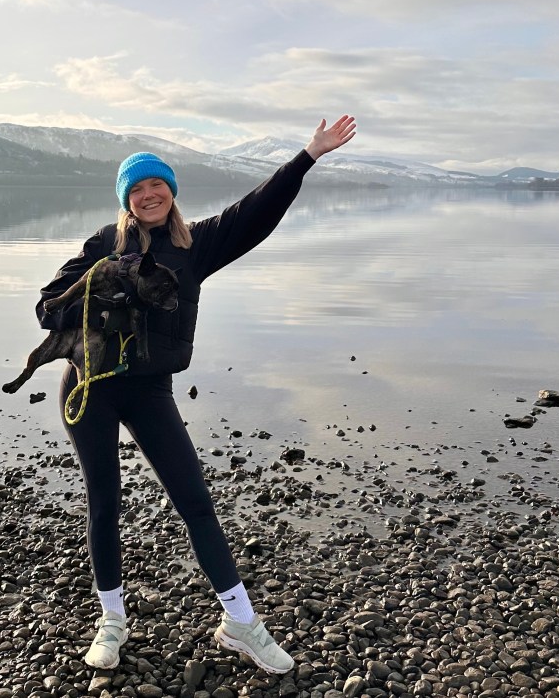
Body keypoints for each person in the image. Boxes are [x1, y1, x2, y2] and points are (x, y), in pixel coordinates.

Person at [35, 115, 356, 673]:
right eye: (136, 189)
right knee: (105, 501)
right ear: (126, 201)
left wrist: (309, 155)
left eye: (155, 184)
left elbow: (256, 211)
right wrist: (105, 290)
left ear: (170, 192)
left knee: (196, 504)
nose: (148, 194)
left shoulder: (196, 245)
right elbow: (47, 308)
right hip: (90, 386)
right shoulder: (102, 245)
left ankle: (241, 623)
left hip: (150, 391)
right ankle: (111, 619)